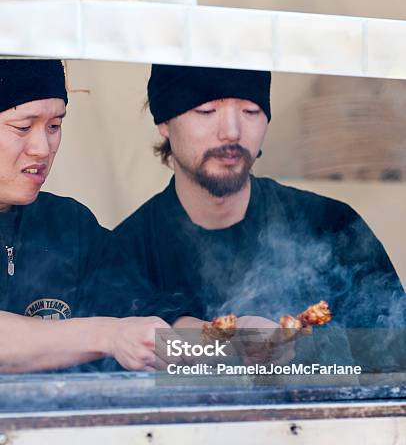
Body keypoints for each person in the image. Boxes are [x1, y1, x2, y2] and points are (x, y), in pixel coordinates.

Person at [112, 64, 406, 371]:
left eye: (250, 111)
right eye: (207, 111)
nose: (231, 132)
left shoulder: (333, 225)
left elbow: (395, 349)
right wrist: (226, 345)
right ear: (165, 122)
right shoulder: (126, 251)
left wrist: (307, 351)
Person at [0, 59, 180, 374]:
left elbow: (148, 312)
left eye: (54, 126)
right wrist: (108, 335)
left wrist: (235, 341)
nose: (43, 148)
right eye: (23, 127)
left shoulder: (69, 224)